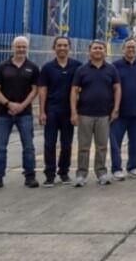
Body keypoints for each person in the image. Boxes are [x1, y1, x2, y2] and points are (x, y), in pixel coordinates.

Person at [0, 36, 40, 191]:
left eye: (24, 47)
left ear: (27, 48)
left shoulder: (33, 67)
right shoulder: (2, 67)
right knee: (0, 147)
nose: (21, 49)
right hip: (4, 113)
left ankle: (30, 177)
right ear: (12, 47)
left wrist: (22, 105)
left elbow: (35, 90)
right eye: (18, 46)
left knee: (28, 146)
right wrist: (8, 104)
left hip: (25, 113)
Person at [71, 40, 121, 187]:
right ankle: (81, 175)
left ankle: (101, 173)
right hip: (85, 114)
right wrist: (74, 112)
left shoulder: (111, 69)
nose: (98, 50)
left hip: (104, 115)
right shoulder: (81, 70)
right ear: (90, 51)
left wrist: (116, 109)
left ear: (105, 51)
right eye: (95, 48)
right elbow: (74, 91)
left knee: (102, 146)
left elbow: (117, 88)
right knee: (83, 147)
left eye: (100, 48)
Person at [38, 36, 81, 187]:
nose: (62, 48)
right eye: (59, 45)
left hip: (69, 111)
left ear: (69, 48)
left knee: (66, 144)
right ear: (54, 48)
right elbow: (43, 90)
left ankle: (64, 172)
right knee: (49, 144)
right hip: (52, 110)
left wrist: (77, 111)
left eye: (65, 45)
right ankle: (50, 175)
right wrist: (42, 112)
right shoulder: (47, 68)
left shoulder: (77, 66)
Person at [110, 39, 136, 181]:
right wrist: (114, 109)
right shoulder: (115, 66)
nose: (131, 49)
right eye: (128, 47)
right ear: (123, 49)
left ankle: (132, 167)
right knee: (116, 142)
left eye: (133, 47)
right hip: (119, 112)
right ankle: (116, 169)